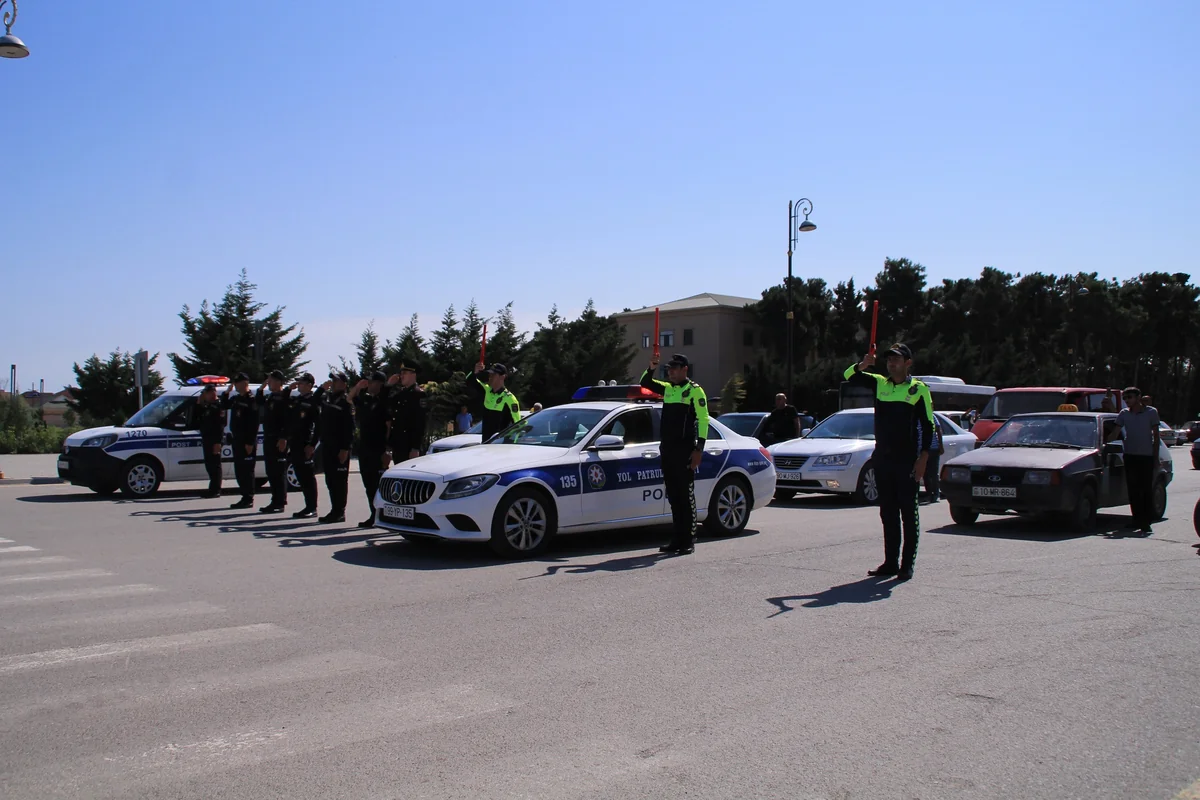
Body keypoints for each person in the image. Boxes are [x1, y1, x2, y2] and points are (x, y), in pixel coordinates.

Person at [844, 343, 934, 581]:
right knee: (888, 513)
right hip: (883, 460)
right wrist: (863, 365)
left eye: (896, 359)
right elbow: (848, 375)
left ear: (908, 363)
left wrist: (923, 458)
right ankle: (890, 562)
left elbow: (928, 426)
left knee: (908, 513)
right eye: (889, 359)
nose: (891, 363)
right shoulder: (879, 383)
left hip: (907, 461)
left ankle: (907, 565)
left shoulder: (919, 389)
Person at [641, 353, 710, 555]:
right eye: (669, 368)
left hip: (685, 449)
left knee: (685, 495)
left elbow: (704, 420)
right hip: (668, 449)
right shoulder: (668, 389)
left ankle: (689, 539)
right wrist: (651, 367)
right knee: (673, 496)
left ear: (685, 369)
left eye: (675, 368)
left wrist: (699, 449)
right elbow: (645, 383)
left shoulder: (694, 391)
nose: (671, 372)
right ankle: (677, 538)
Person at [1110, 386, 1161, 534]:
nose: (1127, 400)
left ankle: (1146, 522)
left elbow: (1156, 436)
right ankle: (1136, 519)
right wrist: (1104, 444)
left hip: (1146, 456)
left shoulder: (1151, 412)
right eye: (1125, 398)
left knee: (1145, 489)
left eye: (1130, 397)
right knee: (1133, 489)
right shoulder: (1124, 413)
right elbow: (1115, 432)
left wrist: (1155, 457)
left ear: (1138, 398)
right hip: (1130, 455)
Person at [350, 370, 392, 528]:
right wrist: (357, 387)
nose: (369, 384)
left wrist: (387, 449)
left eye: (372, 381)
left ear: (379, 384)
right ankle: (374, 514)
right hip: (365, 448)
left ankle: (385, 515)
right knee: (368, 484)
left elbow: (389, 427)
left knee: (378, 485)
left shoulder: (383, 402)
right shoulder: (365, 400)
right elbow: (350, 398)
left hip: (378, 449)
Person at [317, 373, 355, 524]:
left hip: (340, 447)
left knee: (339, 481)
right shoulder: (327, 398)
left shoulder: (346, 401)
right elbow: (313, 401)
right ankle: (334, 510)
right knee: (330, 480)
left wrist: (345, 448)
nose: (333, 383)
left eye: (336, 381)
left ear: (344, 384)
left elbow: (350, 427)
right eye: (332, 380)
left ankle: (340, 511)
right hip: (328, 445)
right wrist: (321, 389)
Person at [286, 372, 322, 519]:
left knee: (308, 477)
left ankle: (312, 507)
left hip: (305, 443)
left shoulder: (313, 402)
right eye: (298, 383)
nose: (299, 385)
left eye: (301, 383)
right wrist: (288, 388)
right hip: (295, 443)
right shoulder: (297, 400)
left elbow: (318, 426)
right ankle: (308, 506)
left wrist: (312, 444)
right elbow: (284, 403)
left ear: (309, 385)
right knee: (300, 475)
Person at [221, 373, 259, 509]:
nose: (235, 385)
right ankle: (244, 496)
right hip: (237, 439)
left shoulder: (251, 400)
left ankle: (249, 498)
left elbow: (254, 423)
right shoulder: (236, 398)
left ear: (245, 383)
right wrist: (227, 392)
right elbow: (224, 404)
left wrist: (250, 442)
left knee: (247, 470)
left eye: (237, 383)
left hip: (247, 440)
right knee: (239, 470)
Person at [256, 370, 291, 513]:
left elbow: (287, 420)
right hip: (269, 438)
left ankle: (280, 501)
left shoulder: (283, 398)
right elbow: (259, 401)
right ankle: (275, 500)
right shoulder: (271, 397)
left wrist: (283, 438)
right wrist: (261, 387)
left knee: (278, 471)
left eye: (270, 381)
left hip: (278, 439)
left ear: (278, 382)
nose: (268, 383)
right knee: (271, 471)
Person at [387, 364, 427, 465]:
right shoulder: (400, 394)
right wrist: (388, 386)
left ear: (413, 375)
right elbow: (385, 403)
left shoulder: (419, 394)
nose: (401, 376)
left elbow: (420, 423)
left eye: (404, 373)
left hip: (409, 446)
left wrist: (415, 447)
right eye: (401, 374)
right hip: (398, 445)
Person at [470, 362, 521, 441]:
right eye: (490, 374)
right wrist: (475, 372)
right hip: (486, 444)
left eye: (493, 374)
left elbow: (517, 425)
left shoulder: (510, 399)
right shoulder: (487, 390)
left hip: (500, 446)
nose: (490, 376)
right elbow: (469, 383)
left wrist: (511, 444)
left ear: (502, 377)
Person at [194, 384, 226, 499]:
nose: (204, 396)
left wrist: (218, 442)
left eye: (206, 393)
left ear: (212, 393)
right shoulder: (208, 406)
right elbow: (196, 418)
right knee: (210, 465)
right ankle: (212, 489)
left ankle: (216, 490)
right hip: (207, 438)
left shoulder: (218, 406)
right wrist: (199, 403)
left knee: (215, 465)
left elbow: (220, 425)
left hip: (214, 440)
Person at [922, 418, 944, 503]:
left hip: (933, 448)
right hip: (921, 449)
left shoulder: (931, 416)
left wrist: (941, 446)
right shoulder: (915, 416)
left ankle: (935, 494)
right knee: (925, 473)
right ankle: (929, 494)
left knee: (933, 473)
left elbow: (938, 430)